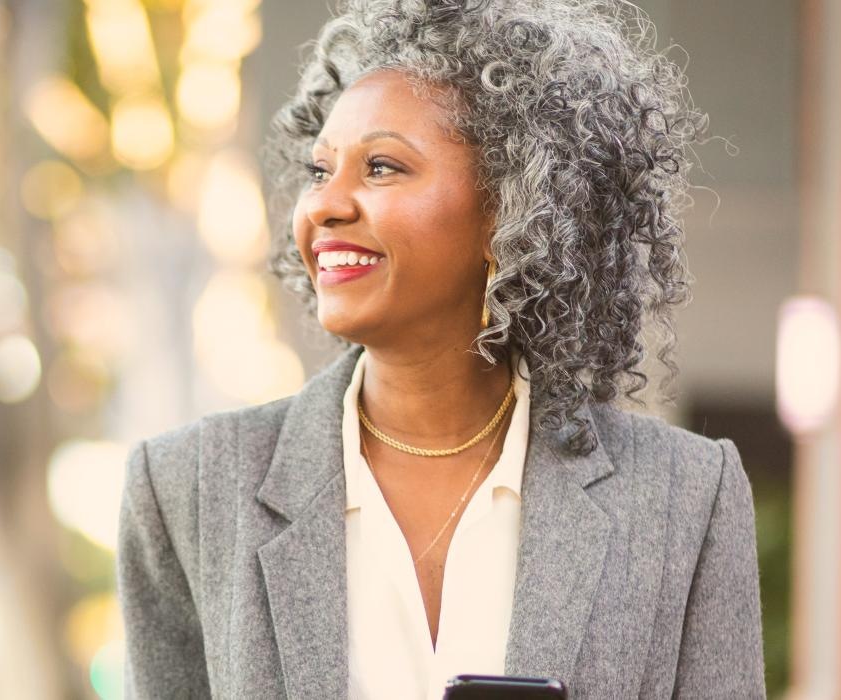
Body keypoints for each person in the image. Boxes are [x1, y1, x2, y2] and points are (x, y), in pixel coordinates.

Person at [116, 0, 766, 698]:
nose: (324, 206)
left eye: (383, 168)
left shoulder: (684, 496)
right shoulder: (188, 488)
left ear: (511, 210)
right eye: (319, 171)